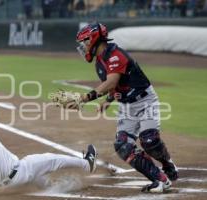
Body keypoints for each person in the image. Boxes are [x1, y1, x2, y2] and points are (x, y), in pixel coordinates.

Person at [70, 23, 179, 193]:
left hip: (145, 102)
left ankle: (167, 163)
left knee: (149, 140)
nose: (83, 47)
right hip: (127, 106)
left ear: (93, 40)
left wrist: (85, 98)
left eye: (84, 42)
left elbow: (111, 81)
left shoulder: (115, 55)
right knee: (123, 146)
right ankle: (160, 179)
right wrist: (109, 99)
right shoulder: (100, 62)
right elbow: (116, 85)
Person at [0, 109, 97, 190]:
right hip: (21, 172)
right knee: (52, 160)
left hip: (4, 188)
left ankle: (58, 187)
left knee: (38, 178)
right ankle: (87, 163)